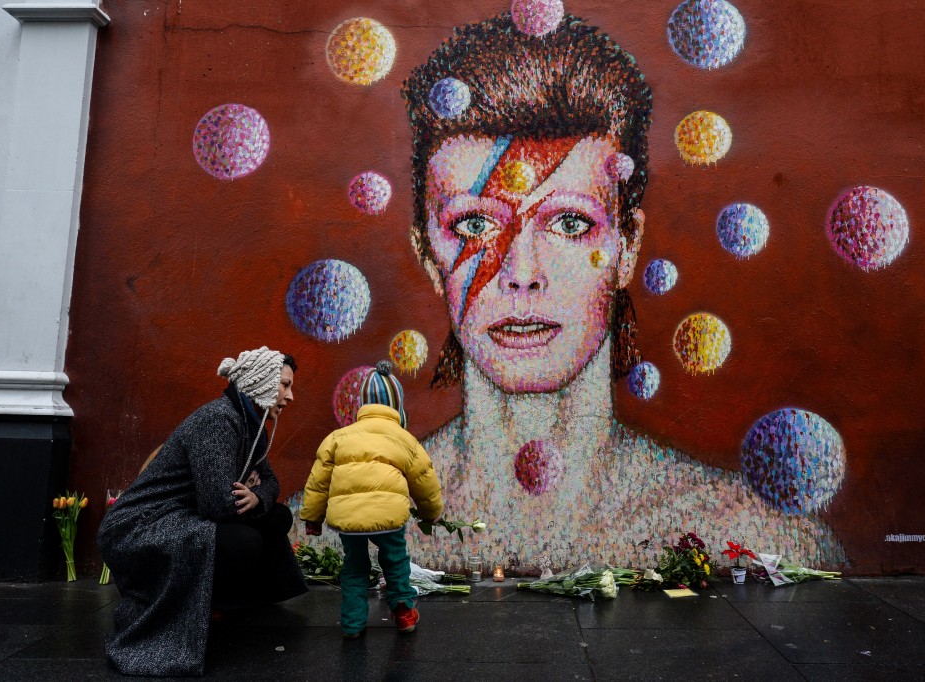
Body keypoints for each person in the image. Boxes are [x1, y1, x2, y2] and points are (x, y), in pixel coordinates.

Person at [400, 13, 846, 572]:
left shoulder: (753, 536)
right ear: (428, 257)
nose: (522, 271)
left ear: (627, 246)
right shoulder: (344, 531)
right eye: (473, 227)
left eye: (568, 224)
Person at [98, 347, 306, 677]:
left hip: (183, 514)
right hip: (141, 524)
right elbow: (217, 504)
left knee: (278, 517)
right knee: (244, 542)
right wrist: (246, 493)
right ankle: (190, 604)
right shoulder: (219, 420)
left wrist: (257, 496)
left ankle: (225, 599)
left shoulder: (253, 426)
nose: (290, 396)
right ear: (260, 383)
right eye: (284, 384)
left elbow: (270, 481)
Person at [299, 360, 443, 638]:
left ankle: (353, 624)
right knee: (395, 560)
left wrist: (312, 518)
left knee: (354, 566)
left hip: (348, 518)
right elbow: (424, 480)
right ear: (397, 404)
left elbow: (318, 482)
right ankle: (403, 612)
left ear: (362, 404)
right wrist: (430, 512)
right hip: (389, 516)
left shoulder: (338, 438)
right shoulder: (404, 439)